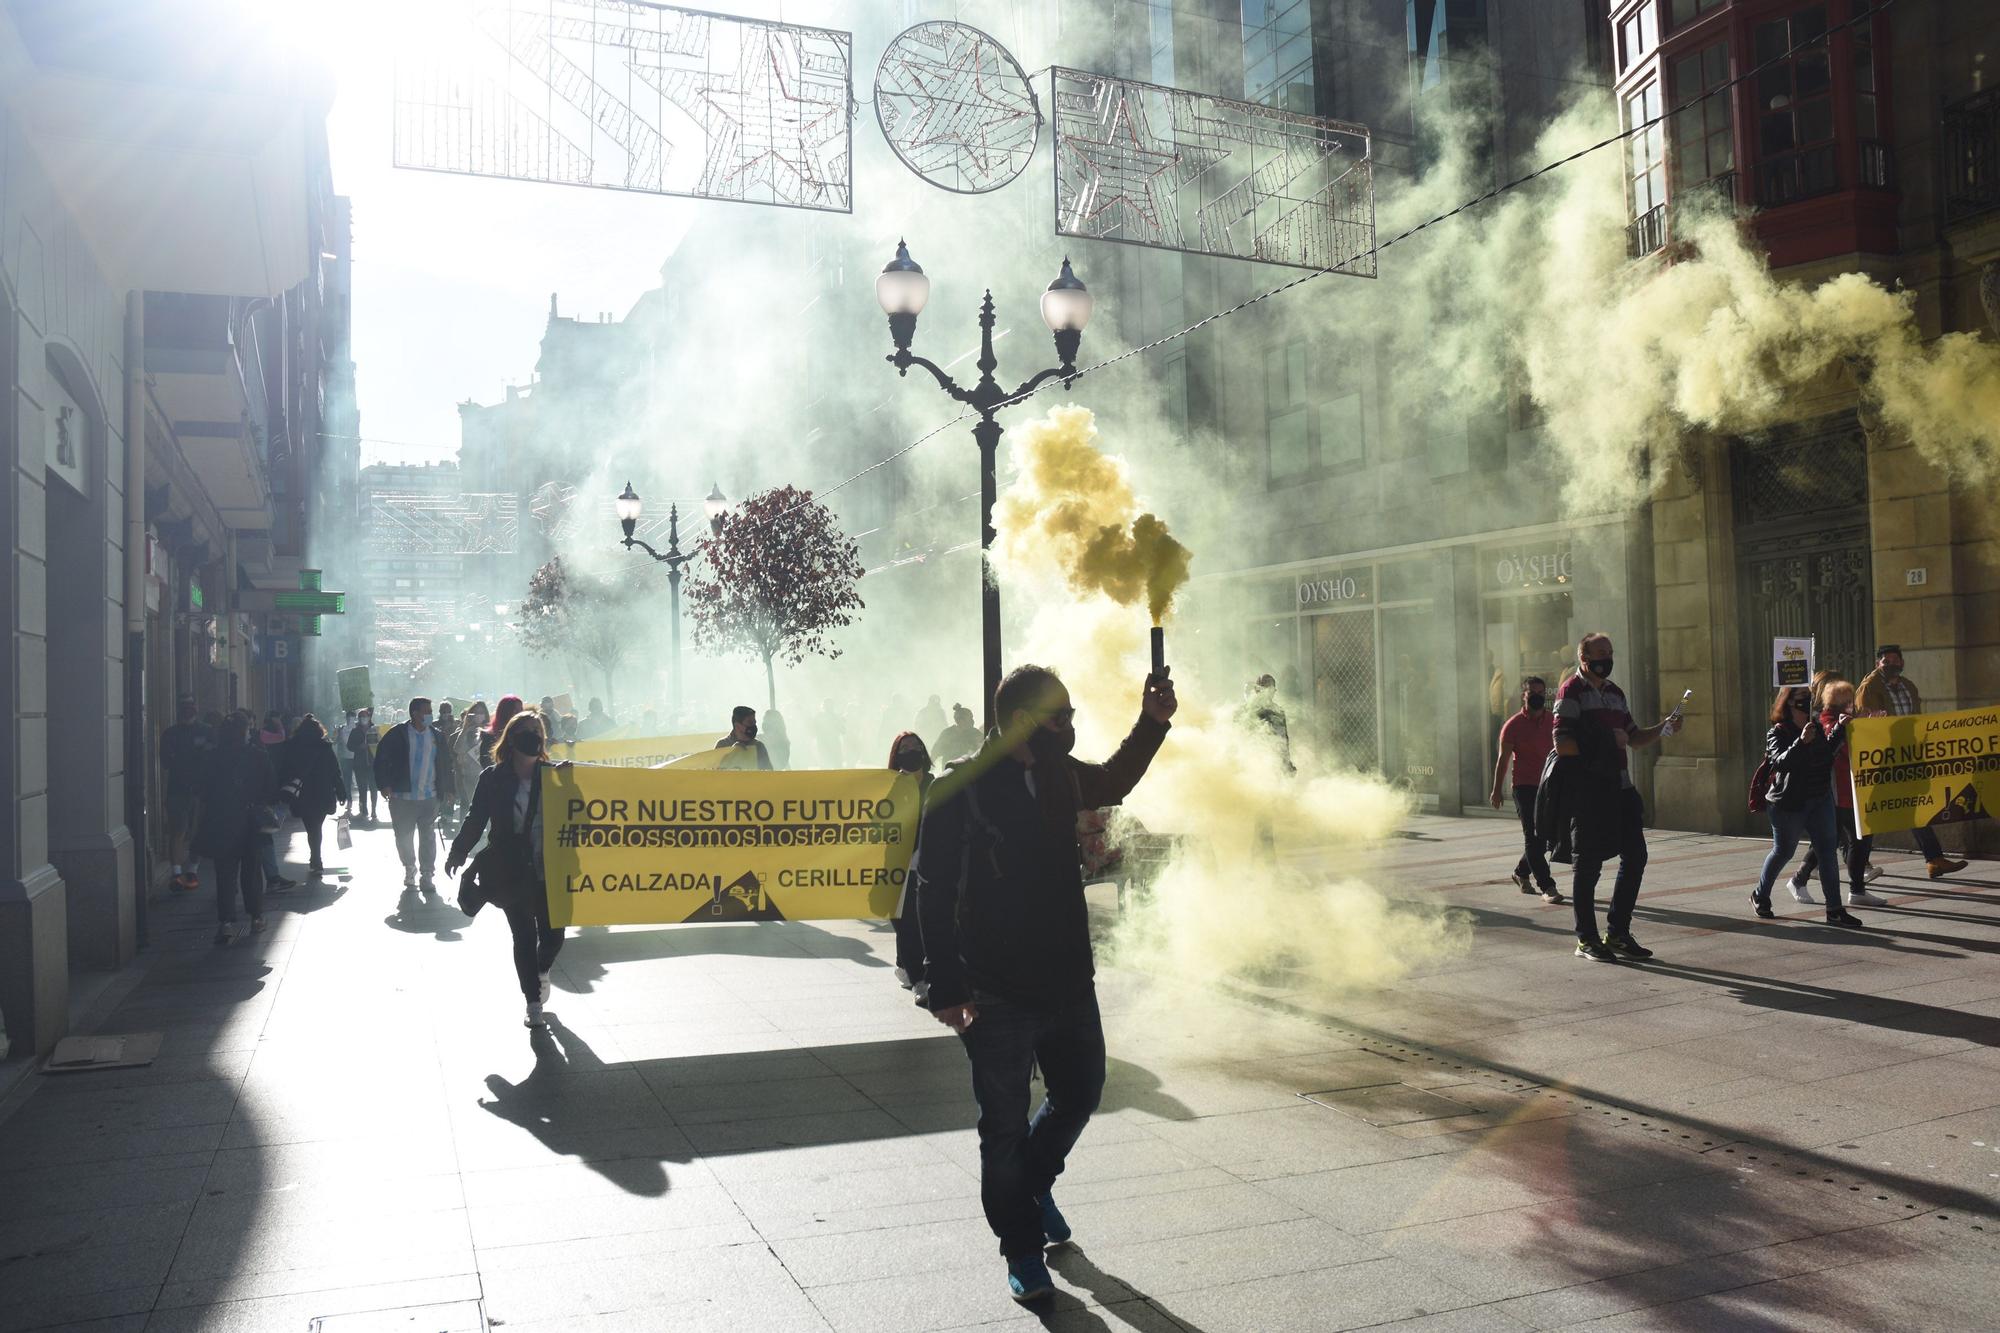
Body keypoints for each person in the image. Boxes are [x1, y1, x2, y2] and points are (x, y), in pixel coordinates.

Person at [915, 664, 1177, 1303]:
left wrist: (1153, 723)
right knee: (1002, 1126)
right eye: (1061, 717)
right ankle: (1022, 1250)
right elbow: (931, 888)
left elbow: (1113, 780)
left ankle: (1029, 1188)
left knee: (1081, 1092)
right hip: (995, 988)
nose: (1072, 726)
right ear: (1026, 722)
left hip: (1066, 976)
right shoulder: (960, 790)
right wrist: (947, 985)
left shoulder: (1059, 773)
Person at [1554, 633, 1679, 962]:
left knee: (1636, 856)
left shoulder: (1615, 693)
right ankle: (1586, 938)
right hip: (1588, 790)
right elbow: (1562, 743)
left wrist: (1664, 727)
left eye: (1610, 652)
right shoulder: (1571, 691)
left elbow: (1634, 738)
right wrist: (1609, 739)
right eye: (1600, 653)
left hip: (1620, 788)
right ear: (1584, 657)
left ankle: (1618, 932)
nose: (1606, 659)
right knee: (1588, 866)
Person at [446, 709, 566, 1029]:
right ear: (511, 737)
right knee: (524, 936)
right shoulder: (493, 778)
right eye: (526, 731)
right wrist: (458, 851)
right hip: (511, 869)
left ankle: (541, 970)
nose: (534, 736)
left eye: (538, 731)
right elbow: (476, 819)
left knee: (554, 936)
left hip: (551, 868)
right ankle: (532, 1001)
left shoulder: (554, 775)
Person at [1751, 682, 1862, 926]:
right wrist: (1800, 742)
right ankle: (1760, 894)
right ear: (1789, 701)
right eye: (1801, 696)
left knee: (1827, 853)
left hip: (1820, 798)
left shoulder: (1816, 726)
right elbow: (1780, 763)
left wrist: (1839, 731)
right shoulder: (1778, 731)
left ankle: (1834, 909)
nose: (1806, 700)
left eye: (1808, 696)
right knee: (1783, 852)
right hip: (1789, 803)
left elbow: (1827, 752)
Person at [1857, 645, 1969, 878]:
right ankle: (1857, 861)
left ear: (1902, 662)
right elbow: (1864, 725)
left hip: (1908, 758)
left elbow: (1918, 720)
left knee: (1913, 808)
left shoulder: (1908, 686)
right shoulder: (1869, 687)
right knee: (1871, 813)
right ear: (1878, 664)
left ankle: (1934, 859)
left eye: (1895, 659)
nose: (1891, 664)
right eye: (1885, 661)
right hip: (1882, 760)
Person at [1789, 674, 1887, 908]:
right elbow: (1838, 747)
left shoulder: (1848, 718)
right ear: (1837, 703)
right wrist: (1853, 726)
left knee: (1850, 839)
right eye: (1847, 701)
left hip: (1853, 789)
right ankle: (1801, 880)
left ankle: (1854, 890)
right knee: (1844, 840)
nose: (1852, 704)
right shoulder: (1826, 720)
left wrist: (1871, 722)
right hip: (1837, 790)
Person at [193, 713, 276, 943]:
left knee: (225, 874)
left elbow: (202, 789)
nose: (251, 732)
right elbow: (270, 787)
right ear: (243, 732)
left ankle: (226, 923)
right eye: (248, 729)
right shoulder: (258, 756)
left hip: (222, 821)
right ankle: (256, 917)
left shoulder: (212, 757)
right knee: (252, 871)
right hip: (250, 821)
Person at [1491, 676, 1562, 904]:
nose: (1537, 696)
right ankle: (1547, 886)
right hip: (1524, 787)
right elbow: (1503, 760)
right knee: (1533, 837)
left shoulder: (1554, 721)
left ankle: (1521, 872)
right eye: (1532, 692)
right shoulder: (1512, 726)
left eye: (1541, 692)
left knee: (1545, 840)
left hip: (1548, 786)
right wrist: (1496, 790)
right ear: (1523, 695)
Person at [374, 696, 455, 891]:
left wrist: (450, 789)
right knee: (403, 836)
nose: (430, 715)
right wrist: (384, 784)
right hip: (403, 798)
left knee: (428, 836)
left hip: (430, 796)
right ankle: (409, 867)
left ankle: (427, 874)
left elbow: (446, 763)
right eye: (426, 711)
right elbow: (381, 759)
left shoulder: (436, 736)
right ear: (415, 713)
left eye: (430, 711)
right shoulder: (397, 734)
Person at [886, 731, 934, 990]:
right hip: (900, 867)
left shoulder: (935, 783)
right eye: (905, 747)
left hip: (932, 864)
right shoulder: (891, 786)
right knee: (906, 924)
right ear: (897, 755)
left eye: (916, 745)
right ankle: (917, 979)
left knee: (926, 922)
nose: (912, 750)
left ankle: (908, 967)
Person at [279, 715, 347, 879]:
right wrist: (341, 791)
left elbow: (285, 769)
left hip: (303, 793)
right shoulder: (325, 747)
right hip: (322, 792)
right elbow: (334, 771)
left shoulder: (292, 747)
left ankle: (315, 857)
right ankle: (316, 858)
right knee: (317, 826)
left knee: (311, 826)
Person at [160, 697, 211, 892]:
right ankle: (176, 873)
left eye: (192, 705)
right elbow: (166, 761)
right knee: (178, 831)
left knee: (197, 832)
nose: (189, 709)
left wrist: (183, 758)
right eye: (185, 706)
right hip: (178, 789)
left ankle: (192, 871)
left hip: (199, 789)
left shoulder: (206, 731)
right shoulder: (171, 734)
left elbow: (210, 757)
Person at [1242, 674, 1294, 774]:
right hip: (1257, 761)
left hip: (1274, 761)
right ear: (1258, 690)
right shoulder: (1249, 711)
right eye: (1267, 688)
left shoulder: (1278, 712)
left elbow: (1283, 738)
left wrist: (1287, 763)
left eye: (1272, 689)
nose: (1271, 692)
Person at [714, 706, 775, 770]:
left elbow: (769, 773)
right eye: (750, 722)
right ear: (737, 726)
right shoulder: (722, 745)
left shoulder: (758, 746)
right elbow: (714, 773)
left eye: (754, 723)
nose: (753, 726)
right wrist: (732, 751)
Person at [346, 709, 379, 823]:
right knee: (362, 789)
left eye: (365, 716)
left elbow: (381, 744)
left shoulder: (375, 729)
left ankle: (374, 811)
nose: (363, 719)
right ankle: (363, 810)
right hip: (360, 764)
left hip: (373, 764)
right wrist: (359, 747)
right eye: (360, 717)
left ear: (369, 717)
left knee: (374, 788)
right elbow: (349, 746)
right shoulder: (355, 731)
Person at [482, 696, 525, 768]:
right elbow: (485, 762)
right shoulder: (490, 737)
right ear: (505, 712)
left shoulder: (525, 734)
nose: (520, 714)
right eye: (516, 711)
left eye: (521, 710)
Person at [816, 698, 846, 768]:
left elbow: (843, 730)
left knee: (837, 765)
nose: (829, 707)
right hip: (824, 744)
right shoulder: (819, 716)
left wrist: (838, 723)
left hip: (834, 744)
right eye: (827, 705)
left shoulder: (836, 716)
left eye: (830, 705)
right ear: (823, 706)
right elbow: (814, 730)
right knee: (825, 766)